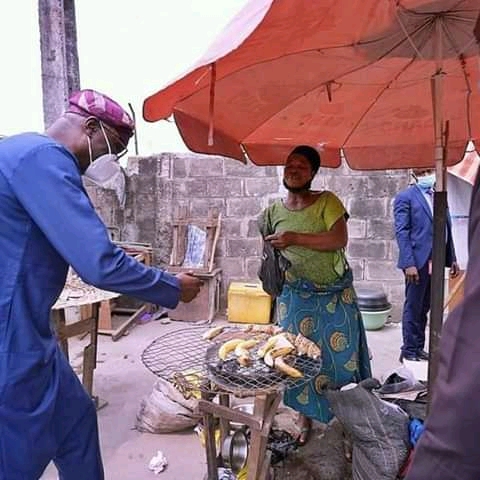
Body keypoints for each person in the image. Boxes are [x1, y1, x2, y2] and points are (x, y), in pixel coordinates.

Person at [0, 89, 203, 479]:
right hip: (11, 335)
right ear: (90, 127)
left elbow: (49, 238)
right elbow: (99, 265)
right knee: (18, 453)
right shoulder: (44, 159)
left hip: (32, 327)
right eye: (116, 146)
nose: (115, 159)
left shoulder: (20, 153)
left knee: (75, 421)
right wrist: (172, 288)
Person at [260, 145, 372, 445]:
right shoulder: (272, 212)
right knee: (296, 361)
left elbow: (339, 239)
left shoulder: (327, 202)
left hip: (334, 297)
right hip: (295, 299)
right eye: (289, 163)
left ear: (312, 173)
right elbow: (268, 256)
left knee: (340, 361)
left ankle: (345, 424)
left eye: (301, 165)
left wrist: (294, 238)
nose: (293, 168)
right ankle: (304, 420)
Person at [393, 168, 459, 362]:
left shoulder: (438, 196)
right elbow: (402, 231)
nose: (426, 175)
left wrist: (452, 257)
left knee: (425, 307)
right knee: (413, 306)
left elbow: (446, 226)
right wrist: (408, 263)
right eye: (422, 171)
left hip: (436, 262)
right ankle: (409, 350)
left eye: (429, 170)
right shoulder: (405, 197)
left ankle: (418, 346)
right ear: (414, 174)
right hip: (417, 262)